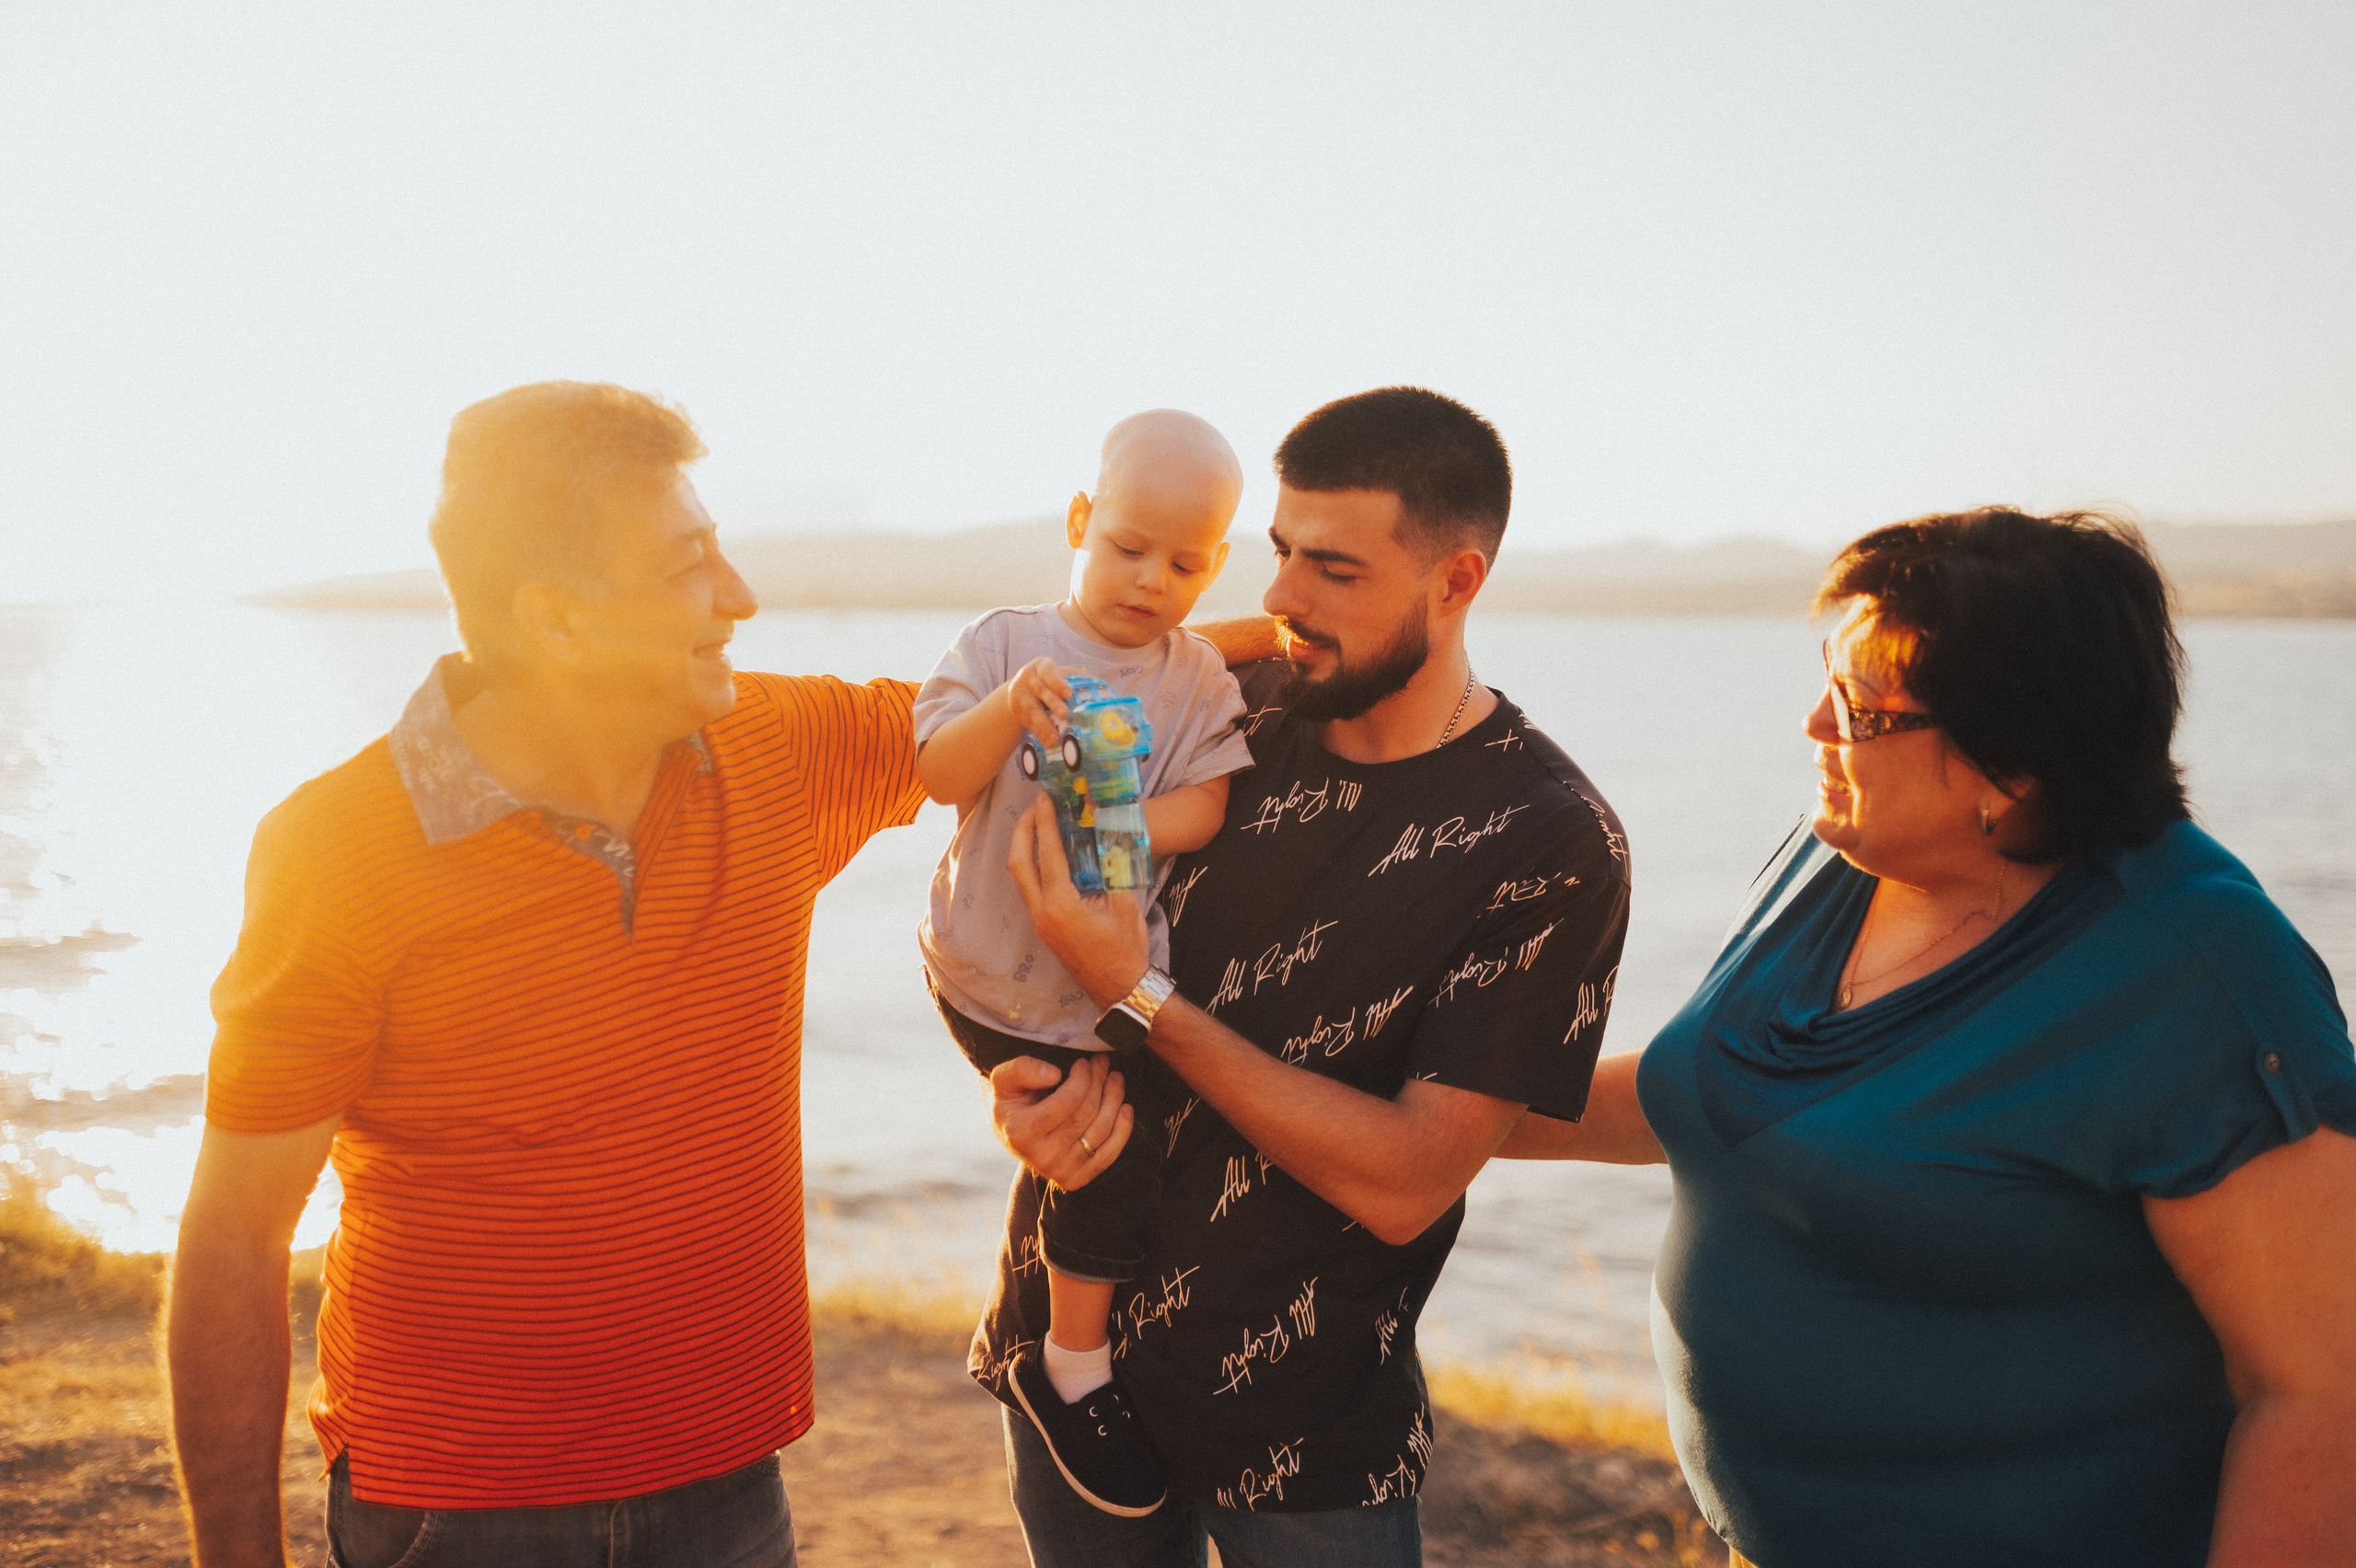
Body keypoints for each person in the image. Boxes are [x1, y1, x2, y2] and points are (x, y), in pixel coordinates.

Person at [1501, 507, 2356, 1567]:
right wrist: (1426, 1101)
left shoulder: (2198, 976)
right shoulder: (1846, 853)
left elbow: (2320, 1394)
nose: (1815, 725)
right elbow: (1717, 1096)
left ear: (2014, 760)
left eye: (1861, 708)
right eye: (1826, 681)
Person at [167, 382, 929, 1568]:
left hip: (729, 1487)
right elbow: (236, 1238)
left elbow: (1048, 693)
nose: (738, 596)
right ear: (557, 621)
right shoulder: (340, 850)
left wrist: (1263, 635)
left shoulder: (775, 749)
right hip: (457, 1510)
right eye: (686, 565)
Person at [981, 386, 1634, 1565]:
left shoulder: (1548, 840)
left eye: (1333, 568)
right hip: (1067, 1375)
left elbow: (1408, 1181)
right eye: (1280, 551)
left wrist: (1143, 1000)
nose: (1281, 595)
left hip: (1305, 1429)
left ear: (1457, 579)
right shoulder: (1210, 705)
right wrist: (1027, 1085)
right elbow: (1030, 906)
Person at [913, 409, 1258, 1516]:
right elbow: (937, 770)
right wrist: (1009, 710)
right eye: (1127, 547)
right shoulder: (1005, 644)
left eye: (1185, 564)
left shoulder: (1195, 679)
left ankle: (1068, 1341)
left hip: (1101, 977)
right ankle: (1069, 1366)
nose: (1151, 580)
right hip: (987, 965)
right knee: (1105, 1151)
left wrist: (1124, 820)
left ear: (1214, 566)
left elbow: (1211, 802)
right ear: (1078, 521)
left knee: (1128, 1141)